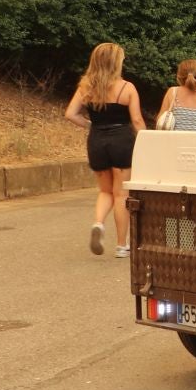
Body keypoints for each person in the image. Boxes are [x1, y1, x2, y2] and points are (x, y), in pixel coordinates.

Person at [62, 41, 144, 258]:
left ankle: (98, 223)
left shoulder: (86, 86)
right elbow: (136, 120)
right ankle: (121, 245)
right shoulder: (127, 88)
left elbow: (70, 114)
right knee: (121, 194)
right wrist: (147, 140)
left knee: (105, 191)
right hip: (122, 141)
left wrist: (90, 125)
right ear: (116, 62)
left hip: (96, 140)